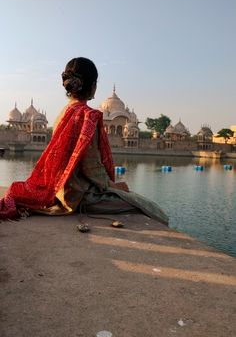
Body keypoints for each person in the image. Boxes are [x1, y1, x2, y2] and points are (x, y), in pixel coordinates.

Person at [0, 57, 168, 225]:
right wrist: (114, 186)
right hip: (79, 196)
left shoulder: (64, 113)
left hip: (60, 189)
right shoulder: (87, 116)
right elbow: (91, 168)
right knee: (149, 207)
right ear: (92, 85)